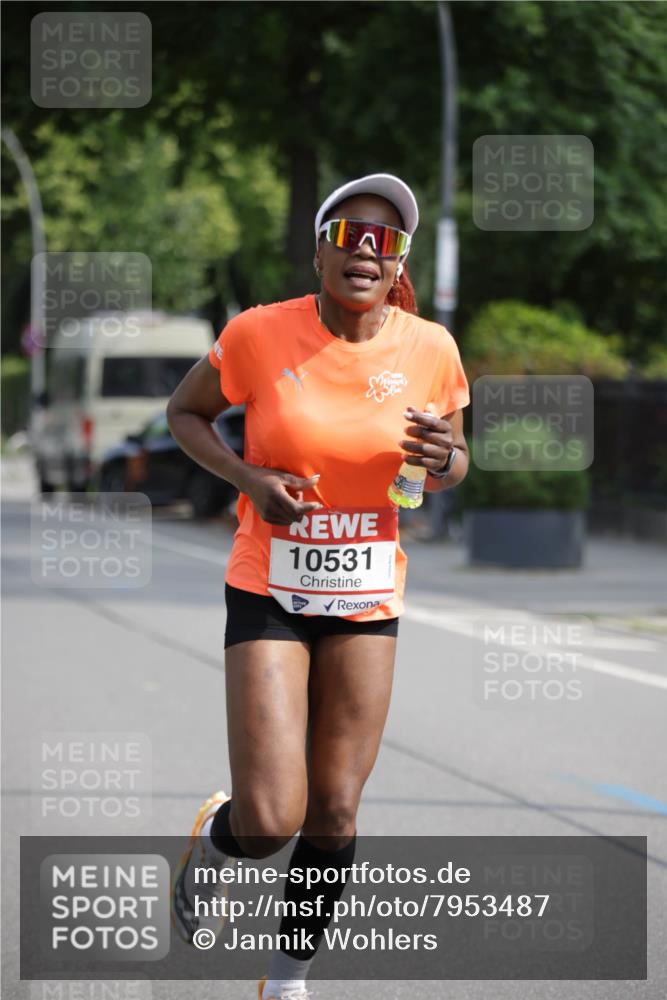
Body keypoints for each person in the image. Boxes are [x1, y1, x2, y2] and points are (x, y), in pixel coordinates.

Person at [167, 173, 470, 1000]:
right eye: (348, 235)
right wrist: (247, 478)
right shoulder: (260, 334)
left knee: (334, 810)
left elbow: (450, 464)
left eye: (385, 240)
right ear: (319, 251)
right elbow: (185, 413)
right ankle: (220, 841)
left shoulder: (431, 349)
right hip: (270, 581)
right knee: (272, 819)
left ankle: (288, 979)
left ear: (399, 258)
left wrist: (445, 461)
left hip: (367, 592)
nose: (366, 251)